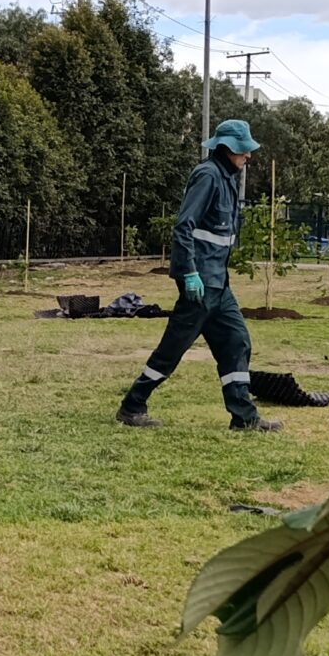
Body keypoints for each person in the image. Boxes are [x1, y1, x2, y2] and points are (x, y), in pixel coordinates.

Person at [116, 119, 281, 432]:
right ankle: (132, 405)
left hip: (219, 282)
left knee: (237, 342)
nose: (248, 157)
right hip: (201, 283)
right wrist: (189, 272)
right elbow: (184, 226)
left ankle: (244, 417)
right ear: (228, 149)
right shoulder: (207, 176)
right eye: (244, 152)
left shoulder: (227, 178)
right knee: (173, 349)